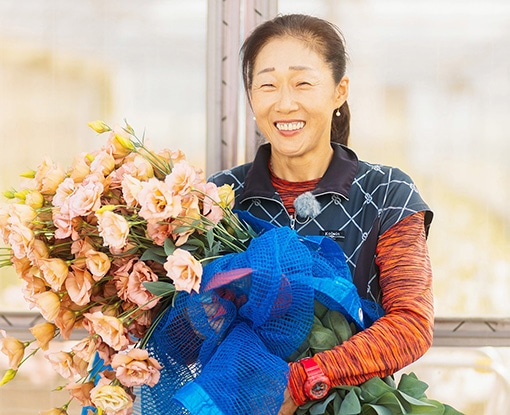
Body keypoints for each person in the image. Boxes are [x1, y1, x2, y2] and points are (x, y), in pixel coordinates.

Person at [209, 13, 434, 415]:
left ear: (339, 91)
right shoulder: (219, 198)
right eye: (267, 85)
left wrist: (303, 380)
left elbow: (411, 325)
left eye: (302, 82)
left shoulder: (387, 194)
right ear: (250, 95)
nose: (284, 103)